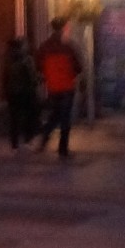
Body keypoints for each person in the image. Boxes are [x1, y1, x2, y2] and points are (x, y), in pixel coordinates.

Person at [32, 18, 83, 159]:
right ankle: (63, 149)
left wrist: (48, 74)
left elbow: (38, 65)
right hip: (67, 86)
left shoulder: (44, 46)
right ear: (64, 28)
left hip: (52, 87)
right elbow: (78, 67)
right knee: (65, 118)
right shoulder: (69, 47)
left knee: (55, 115)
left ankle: (44, 138)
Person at [3, 37, 41, 152]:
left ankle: (14, 144)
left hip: (12, 93)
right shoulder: (26, 60)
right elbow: (32, 76)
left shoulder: (7, 60)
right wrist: (38, 82)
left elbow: (4, 78)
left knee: (14, 118)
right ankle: (27, 140)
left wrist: (6, 91)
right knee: (28, 116)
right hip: (26, 92)